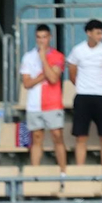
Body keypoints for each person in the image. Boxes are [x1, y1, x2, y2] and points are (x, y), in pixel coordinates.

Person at [66, 19, 102, 174]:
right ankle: (80, 172)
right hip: (83, 96)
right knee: (81, 136)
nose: (100, 36)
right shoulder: (77, 50)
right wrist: (82, 86)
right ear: (88, 33)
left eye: (101, 33)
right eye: (97, 33)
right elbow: (72, 73)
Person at [19, 23, 66, 173]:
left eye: (45, 37)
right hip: (34, 104)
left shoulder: (57, 56)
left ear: (50, 38)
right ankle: (34, 175)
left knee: (57, 136)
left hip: (53, 103)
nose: (41, 40)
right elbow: (26, 83)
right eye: (39, 37)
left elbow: (53, 78)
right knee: (37, 138)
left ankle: (63, 173)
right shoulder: (27, 56)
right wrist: (42, 76)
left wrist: (43, 58)